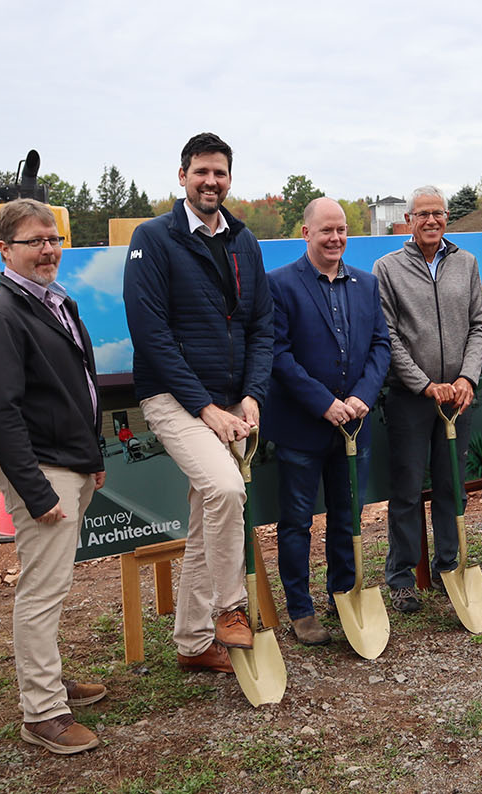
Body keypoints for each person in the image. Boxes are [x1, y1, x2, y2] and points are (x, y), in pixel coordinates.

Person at [123, 132, 274, 672]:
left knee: (208, 514)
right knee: (227, 490)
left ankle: (190, 643)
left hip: (231, 400)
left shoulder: (244, 240)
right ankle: (231, 608)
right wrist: (206, 409)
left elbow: (261, 326)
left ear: (230, 179)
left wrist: (251, 395)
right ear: (182, 175)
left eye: (220, 173)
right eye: (201, 172)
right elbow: (150, 332)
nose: (211, 181)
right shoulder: (153, 238)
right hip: (171, 397)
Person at [0, 199, 108, 755]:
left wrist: (92, 452)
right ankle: (42, 712)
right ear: (5, 248)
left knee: (54, 584)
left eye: (53, 239)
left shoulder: (55, 301)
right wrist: (35, 487)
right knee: (42, 590)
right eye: (34, 241)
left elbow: (78, 384)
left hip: (70, 460)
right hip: (43, 470)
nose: (49, 249)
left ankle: (48, 678)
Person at [263, 197, 390, 645]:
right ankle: (301, 610)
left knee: (347, 515)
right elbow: (278, 354)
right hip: (303, 429)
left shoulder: (366, 284)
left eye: (341, 230)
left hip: (355, 426)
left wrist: (362, 397)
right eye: (325, 231)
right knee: (296, 522)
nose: (335, 238)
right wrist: (323, 403)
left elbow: (381, 346)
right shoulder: (279, 285)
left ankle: (344, 593)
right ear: (306, 233)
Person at [373, 185, 482, 614]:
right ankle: (402, 577)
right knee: (406, 491)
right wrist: (424, 384)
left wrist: (466, 378)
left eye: (438, 213)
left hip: (457, 398)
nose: (431, 221)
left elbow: (480, 326)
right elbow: (389, 336)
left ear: (446, 218)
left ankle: (448, 565)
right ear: (409, 220)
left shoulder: (467, 263)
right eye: (422, 214)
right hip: (411, 399)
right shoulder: (388, 268)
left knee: (450, 487)